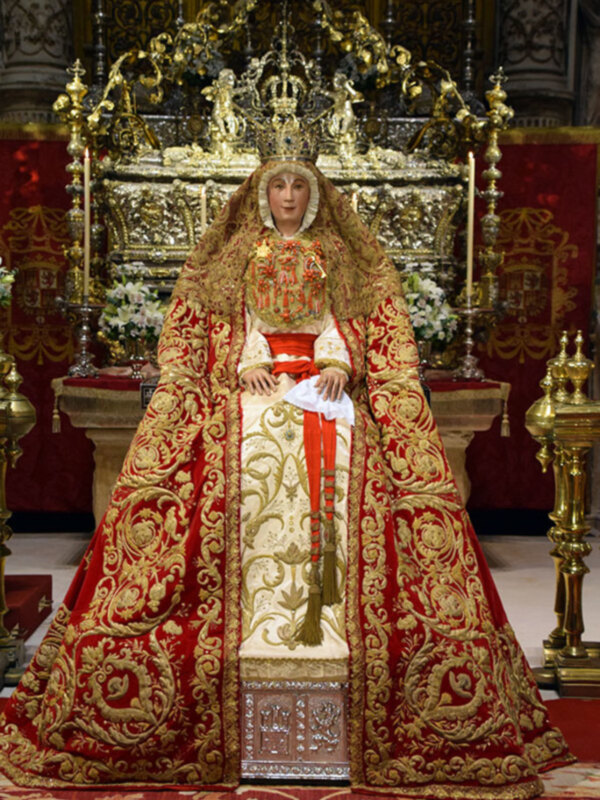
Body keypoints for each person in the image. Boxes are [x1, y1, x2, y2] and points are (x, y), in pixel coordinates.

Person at [0, 153, 572, 796]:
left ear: (315, 195)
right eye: (279, 185)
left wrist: (338, 364)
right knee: (243, 444)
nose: (290, 196)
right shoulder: (237, 256)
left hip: (323, 387)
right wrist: (245, 362)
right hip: (254, 386)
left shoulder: (339, 256)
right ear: (262, 194)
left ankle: (332, 622)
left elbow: (346, 324)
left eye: (300, 185)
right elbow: (231, 323)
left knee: (351, 444)